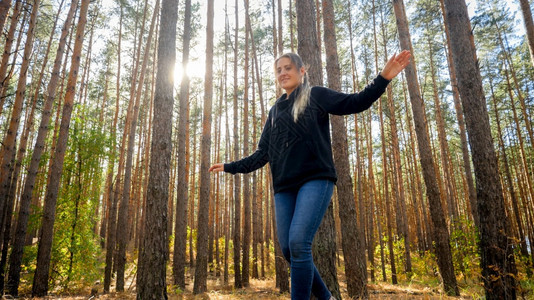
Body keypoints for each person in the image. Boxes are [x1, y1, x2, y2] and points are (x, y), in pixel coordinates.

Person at [209, 50, 411, 300]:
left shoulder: (315, 95)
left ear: (302, 71)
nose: (283, 73)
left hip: (316, 179)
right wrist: (229, 166)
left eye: (288, 68)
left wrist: (383, 78)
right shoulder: (274, 112)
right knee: (288, 249)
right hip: (284, 188)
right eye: (279, 70)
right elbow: (261, 154)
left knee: (298, 243)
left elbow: (355, 102)